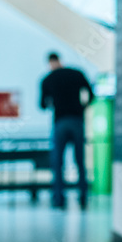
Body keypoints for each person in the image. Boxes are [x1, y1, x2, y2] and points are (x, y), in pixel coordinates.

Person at [40, 52, 94, 209]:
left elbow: (42, 104)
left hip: (60, 122)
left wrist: (54, 102)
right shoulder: (76, 73)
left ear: (50, 63)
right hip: (77, 121)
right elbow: (91, 94)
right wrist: (82, 107)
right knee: (80, 161)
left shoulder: (47, 79)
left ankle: (59, 198)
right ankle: (83, 197)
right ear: (60, 60)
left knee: (58, 162)